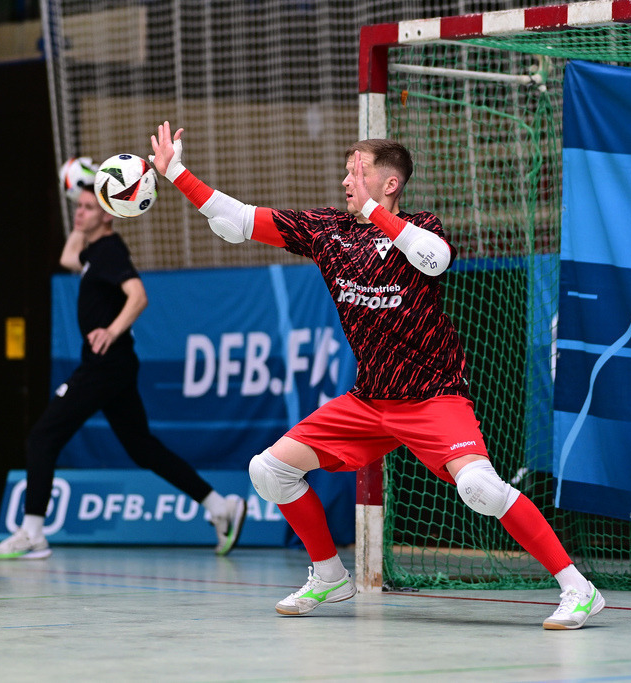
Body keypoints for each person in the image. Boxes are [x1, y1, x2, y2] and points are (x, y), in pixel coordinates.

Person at [149, 121, 604, 630]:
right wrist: (178, 173)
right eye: (346, 173)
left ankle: (577, 588)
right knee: (269, 470)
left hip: (433, 397)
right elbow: (237, 220)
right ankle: (328, 575)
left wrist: (371, 211)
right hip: (369, 402)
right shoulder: (328, 230)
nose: (346, 182)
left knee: (479, 487)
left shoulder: (421, 226)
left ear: (390, 183)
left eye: (357, 172)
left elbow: (435, 260)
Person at [0, 185, 246, 560]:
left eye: (89, 208)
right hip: (115, 368)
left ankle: (32, 534)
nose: (80, 213)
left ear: (108, 214)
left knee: (42, 438)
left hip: (104, 366)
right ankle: (221, 507)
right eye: (79, 207)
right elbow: (67, 256)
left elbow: (138, 295)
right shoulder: (92, 253)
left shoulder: (109, 250)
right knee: (142, 448)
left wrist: (111, 330)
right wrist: (84, 188)